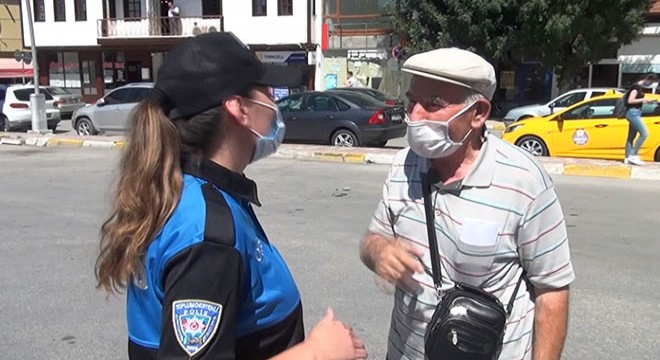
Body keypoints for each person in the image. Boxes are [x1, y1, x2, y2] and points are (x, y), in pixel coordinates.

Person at [95, 32, 367, 360]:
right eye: (265, 91)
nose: (274, 102)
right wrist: (319, 353)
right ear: (240, 109)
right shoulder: (207, 233)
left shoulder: (192, 190)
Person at [359, 48, 575, 360]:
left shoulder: (524, 181)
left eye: (433, 104)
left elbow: (552, 291)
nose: (415, 115)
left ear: (478, 113)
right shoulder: (403, 166)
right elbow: (371, 240)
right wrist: (379, 252)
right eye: (411, 101)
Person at [623, 73, 658, 166]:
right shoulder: (636, 87)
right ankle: (633, 154)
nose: (650, 85)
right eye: (650, 82)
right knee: (644, 133)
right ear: (647, 79)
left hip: (636, 112)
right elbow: (630, 100)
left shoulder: (639, 88)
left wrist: (647, 101)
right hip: (632, 113)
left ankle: (627, 157)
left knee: (631, 136)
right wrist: (643, 100)